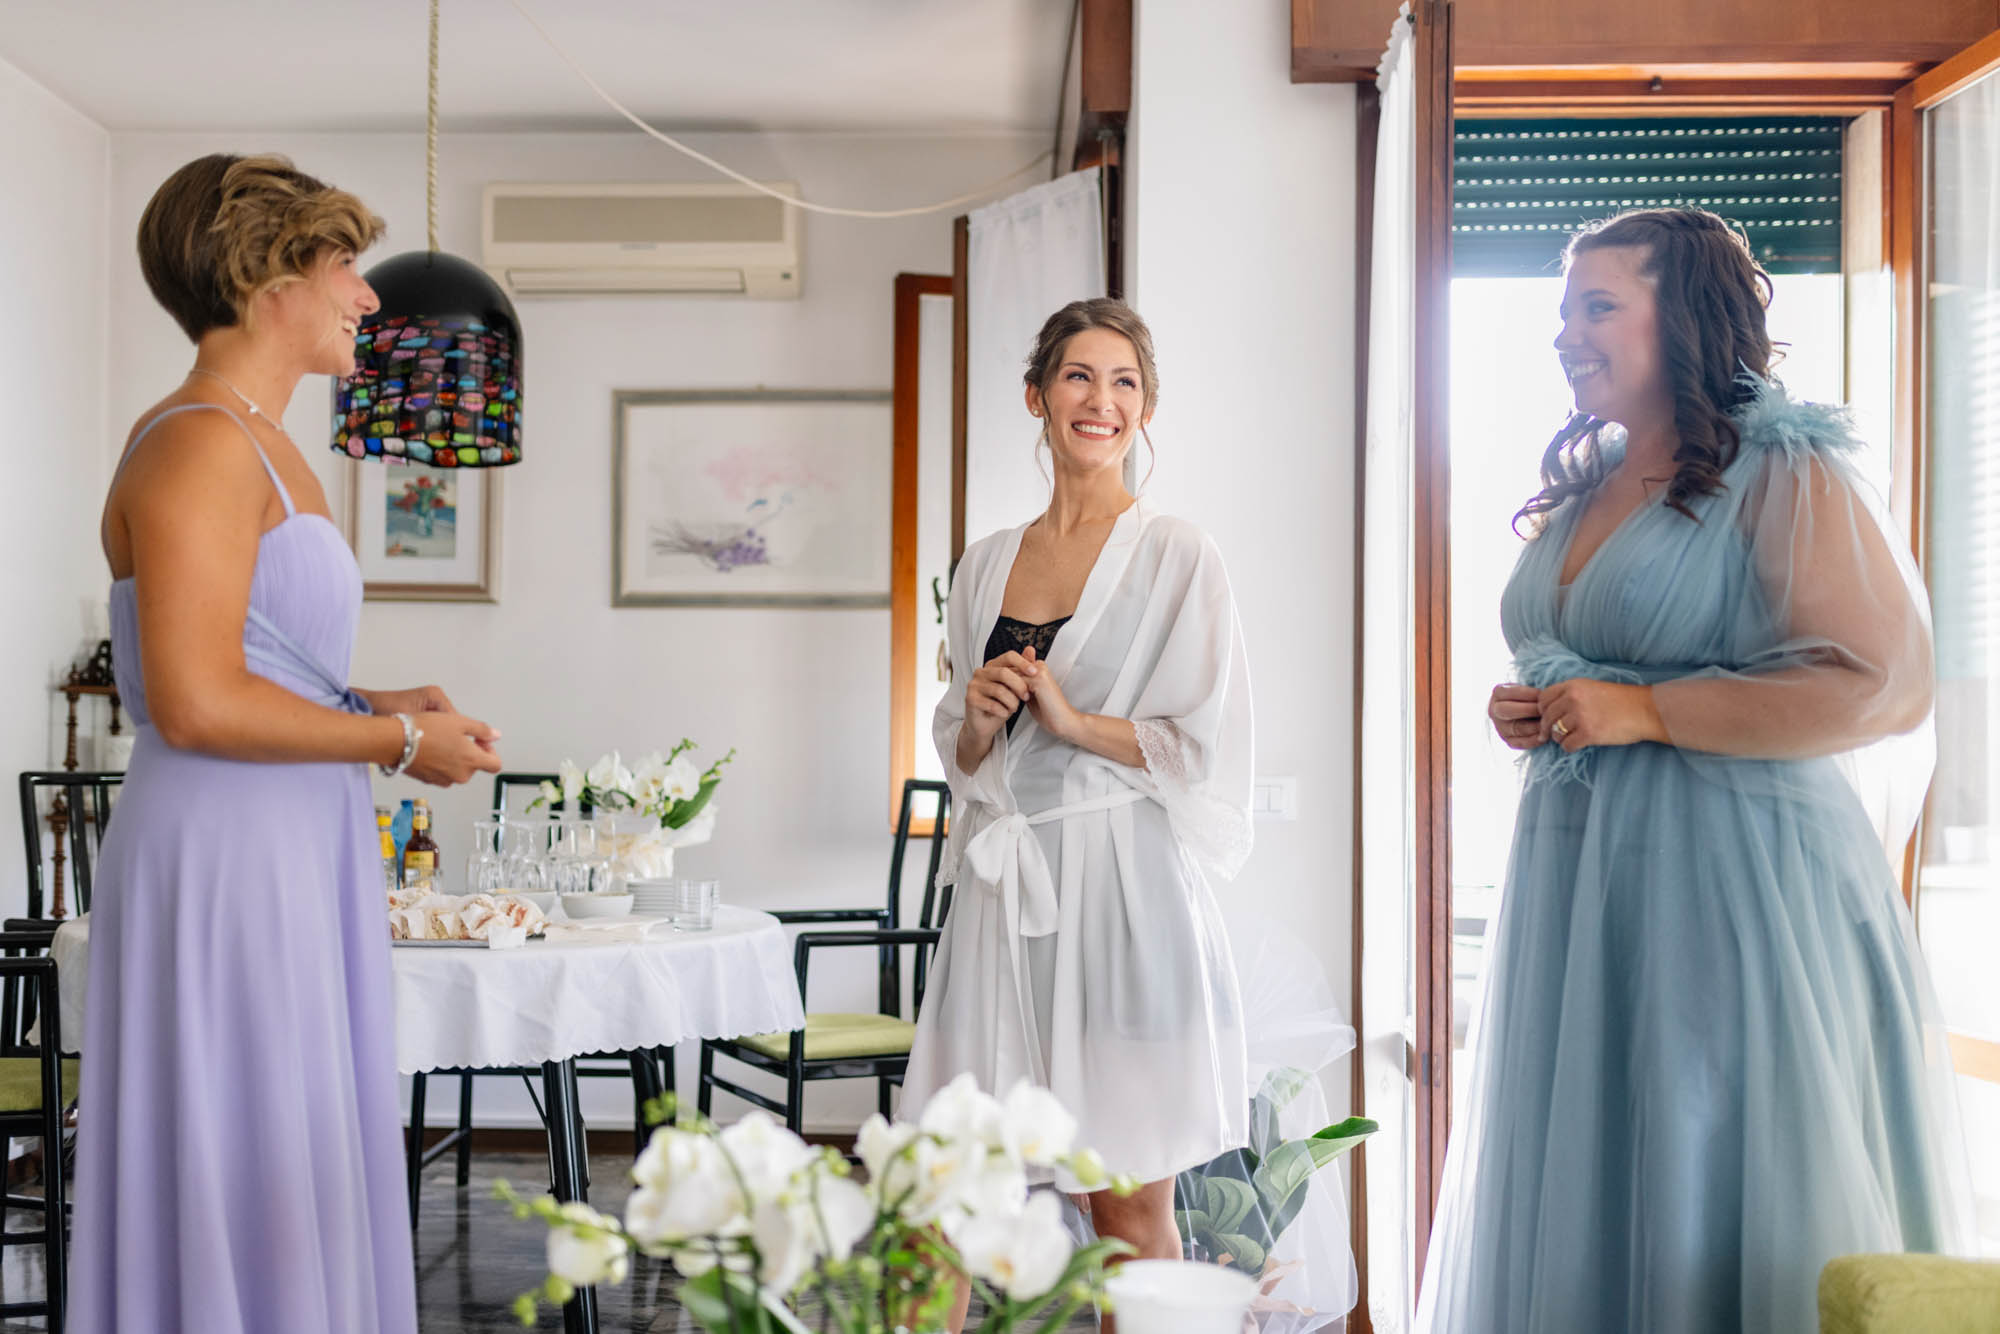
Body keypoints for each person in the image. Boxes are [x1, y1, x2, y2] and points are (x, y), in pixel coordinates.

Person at [1417, 208, 1971, 1334]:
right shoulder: (1592, 479)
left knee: (1705, 1146)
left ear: (1682, 314)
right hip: (1581, 874)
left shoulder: (1779, 466)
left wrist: (1642, 708)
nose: (1565, 334)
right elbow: (1592, 658)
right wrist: (1538, 703)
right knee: (1596, 1152)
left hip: (1731, 875)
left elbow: (1880, 680)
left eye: (1595, 306)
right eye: (1561, 311)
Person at [71, 153, 503, 1334]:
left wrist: (368, 693)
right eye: (346, 265)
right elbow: (198, 702)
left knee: (287, 1137)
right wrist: (397, 735)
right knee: (247, 1136)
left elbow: (238, 653)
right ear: (273, 275)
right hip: (226, 848)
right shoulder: (202, 441)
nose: (366, 296)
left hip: (285, 832)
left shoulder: (254, 438)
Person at [901, 298, 1254, 1331]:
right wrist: (970, 722)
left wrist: (1072, 716)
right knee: (943, 1185)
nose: (1099, 401)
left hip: (1123, 892)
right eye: (1077, 378)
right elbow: (971, 755)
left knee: (1127, 1197)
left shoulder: (1177, 555)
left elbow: (1201, 747)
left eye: (1124, 383)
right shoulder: (980, 563)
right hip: (1000, 895)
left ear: (1145, 410)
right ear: (1035, 395)